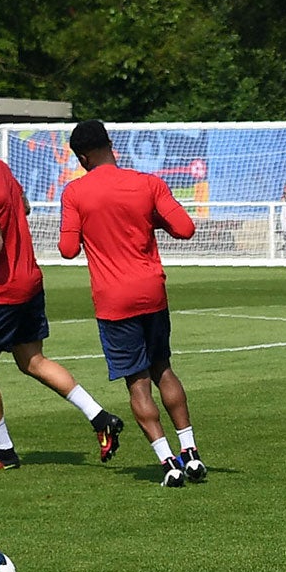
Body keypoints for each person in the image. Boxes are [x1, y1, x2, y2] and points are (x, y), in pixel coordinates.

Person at [0, 111, 126, 470]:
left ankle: (3, 452)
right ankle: (101, 418)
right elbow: (22, 206)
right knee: (32, 361)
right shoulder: (0, 168)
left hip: (0, 290)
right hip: (29, 281)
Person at [58, 120, 207, 488]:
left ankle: (167, 463)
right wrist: (147, 219)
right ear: (111, 145)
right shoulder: (149, 184)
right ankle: (190, 452)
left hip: (114, 300)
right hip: (151, 291)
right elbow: (185, 228)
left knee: (137, 383)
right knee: (164, 370)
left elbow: (67, 249)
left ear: (81, 157)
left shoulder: (75, 192)